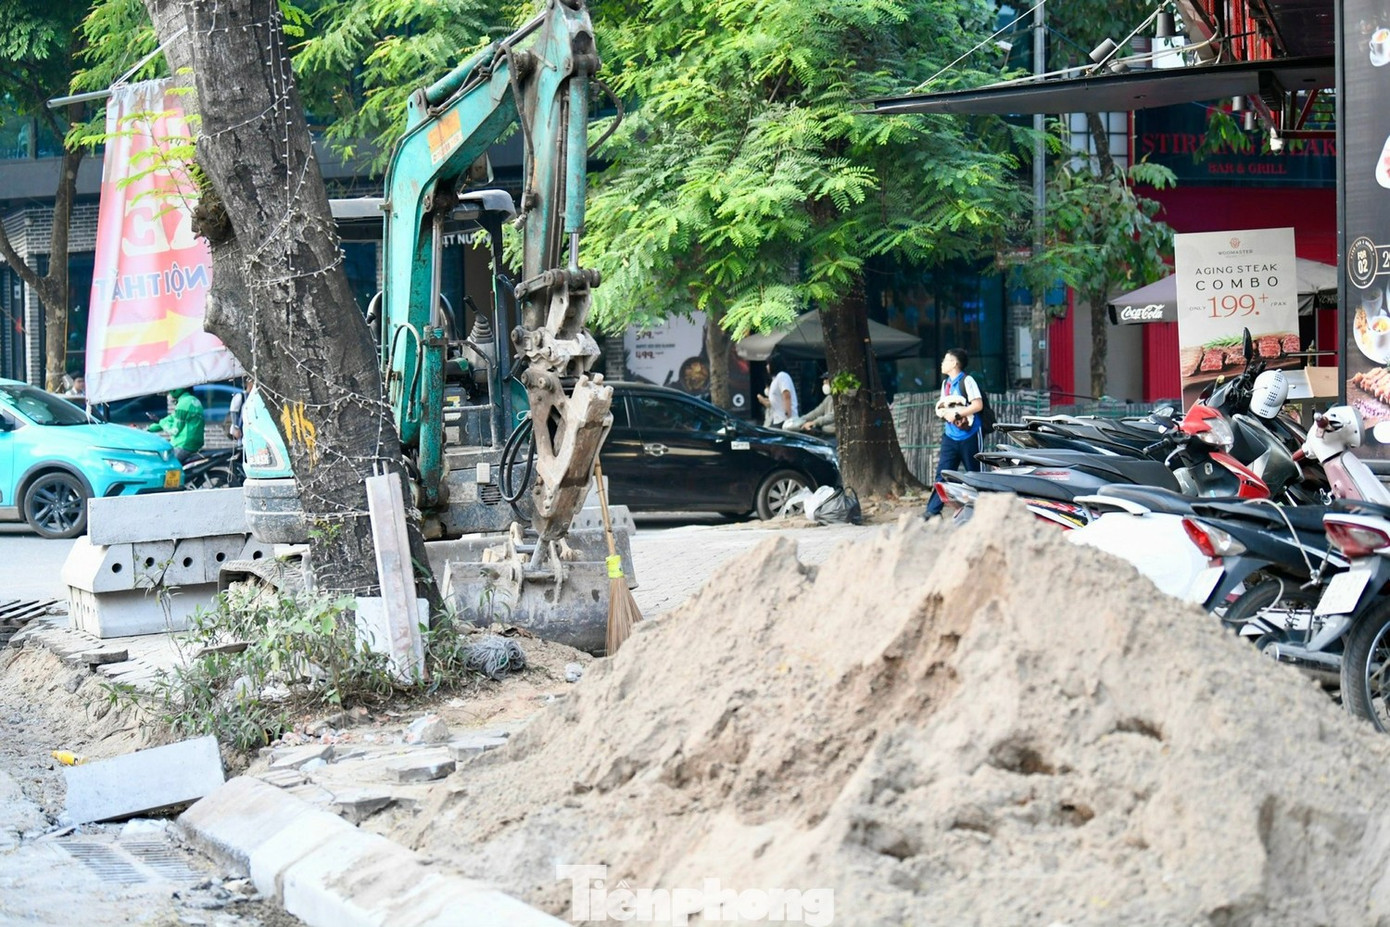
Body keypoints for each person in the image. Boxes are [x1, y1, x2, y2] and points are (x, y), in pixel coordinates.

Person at [924, 348, 983, 518]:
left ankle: (981, 511)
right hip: (950, 435)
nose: (942, 363)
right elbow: (945, 406)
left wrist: (957, 414)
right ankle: (932, 511)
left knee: (974, 474)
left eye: (945, 360)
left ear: (954, 363)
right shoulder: (946, 384)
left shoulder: (967, 381)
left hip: (970, 434)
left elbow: (978, 405)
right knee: (942, 473)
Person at [148, 386, 205, 462]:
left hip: (183, 445)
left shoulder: (183, 404)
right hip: (194, 444)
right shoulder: (193, 400)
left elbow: (174, 431)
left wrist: (159, 421)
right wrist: (148, 429)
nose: (169, 394)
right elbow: (170, 419)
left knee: (165, 466)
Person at [758, 356, 798, 427]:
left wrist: (787, 415)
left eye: (768, 364)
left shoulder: (782, 376)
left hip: (785, 419)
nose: (767, 367)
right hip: (777, 419)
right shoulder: (775, 379)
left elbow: (786, 395)